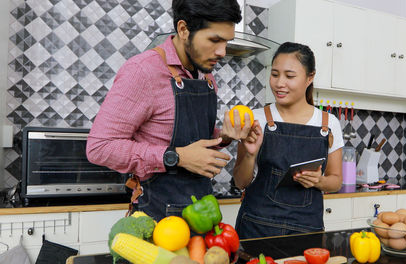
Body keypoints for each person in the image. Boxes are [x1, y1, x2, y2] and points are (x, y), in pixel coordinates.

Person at [86, 0, 256, 221]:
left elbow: (195, 139)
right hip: (157, 218)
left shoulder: (206, 75)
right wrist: (176, 157)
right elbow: (99, 147)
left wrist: (223, 137)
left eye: (227, 42)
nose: (222, 52)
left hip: (202, 213)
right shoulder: (142, 71)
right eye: (214, 40)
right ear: (184, 29)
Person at [233, 42, 344, 239]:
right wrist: (250, 155)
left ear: (310, 77)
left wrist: (319, 181)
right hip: (256, 227)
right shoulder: (255, 119)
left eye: (289, 76)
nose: (279, 83)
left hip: (306, 229)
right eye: (275, 74)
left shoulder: (328, 123)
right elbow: (240, 182)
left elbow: (335, 181)